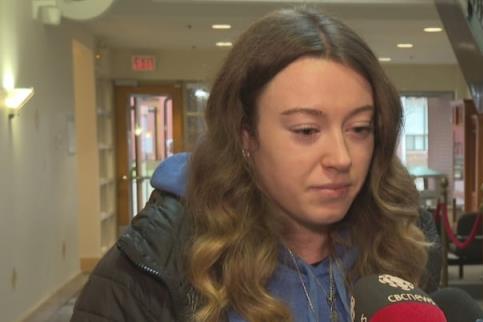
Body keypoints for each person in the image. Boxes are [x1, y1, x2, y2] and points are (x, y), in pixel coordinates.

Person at [71, 7, 440, 322]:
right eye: (307, 130)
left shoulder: (406, 239)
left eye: (360, 128)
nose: (342, 158)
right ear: (246, 135)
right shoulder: (149, 263)